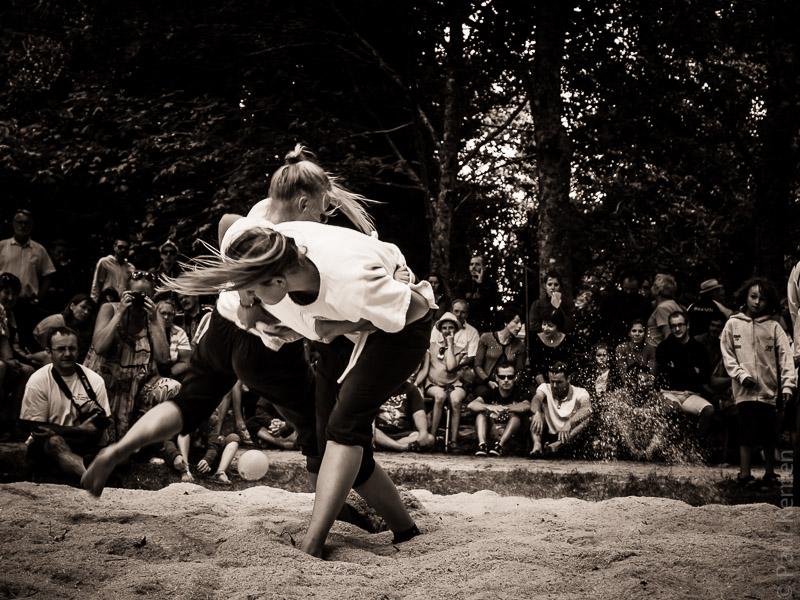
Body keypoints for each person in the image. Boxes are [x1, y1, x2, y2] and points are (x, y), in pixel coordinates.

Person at [80, 146, 394, 539]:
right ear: (302, 201)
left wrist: (244, 293)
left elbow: (227, 223)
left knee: (187, 403)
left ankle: (117, 449)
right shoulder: (295, 237)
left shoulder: (261, 211)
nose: (321, 218)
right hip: (262, 348)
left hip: (219, 331)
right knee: (321, 429)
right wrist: (256, 303)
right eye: (319, 209)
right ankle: (328, 512)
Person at [165, 214, 436, 557]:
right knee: (329, 445)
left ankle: (313, 542)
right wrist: (253, 304)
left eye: (254, 290)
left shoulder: (351, 281)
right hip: (345, 333)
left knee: (344, 428)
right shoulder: (270, 240)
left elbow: (419, 306)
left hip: (402, 330)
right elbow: (227, 221)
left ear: (278, 282)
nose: (250, 298)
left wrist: (343, 324)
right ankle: (406, 531)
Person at [83, 271, 180, 440]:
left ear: (152, 297)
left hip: (134, 387)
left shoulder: (154, 317)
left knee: (172, 387)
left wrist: (155, 322)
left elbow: (164, 359)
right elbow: (99, 347)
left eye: (144, 296)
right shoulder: (110, 309)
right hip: (104, 384)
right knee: (105, 439)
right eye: (135, 295)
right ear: (125, 293)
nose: (138, 301)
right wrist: (119, 313)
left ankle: (147, 437)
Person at [720, 278, 795, 485]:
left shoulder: (774, 327)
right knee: (746, 431)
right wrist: (741, 375)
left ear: (768, 301)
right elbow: (728, 355)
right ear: (745, 296)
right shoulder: (733, 324)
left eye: (762, 298)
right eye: (753, 296)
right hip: (744, 391)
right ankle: (744, 474)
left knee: (769, 433)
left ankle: (770, 473)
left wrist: (788, 384)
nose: (756, 302)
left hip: (769, 391)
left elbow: (785, 357)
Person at [18, 327, 110, 480]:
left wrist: (64, 430)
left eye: (72, 348)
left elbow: (100, 424)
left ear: (78, 350)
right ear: (49, 352)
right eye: (61, 349)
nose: (67, 354)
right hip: (48, 445)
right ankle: (89, 477)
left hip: (83, 443)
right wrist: (80, 429)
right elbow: (37, 428)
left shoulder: (94, 380)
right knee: (54, 441)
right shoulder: (38, 380)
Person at [0, 209, 56, 347]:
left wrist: (39, 297)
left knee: (24, 338)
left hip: (26, 303)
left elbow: (48, 274)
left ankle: (22, 364)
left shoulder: (39, 249)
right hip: (3, 301)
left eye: (26, 223)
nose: (23, 226)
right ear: (13, 224)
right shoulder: (2, 246)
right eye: (19, 222)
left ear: (31, 225)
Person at [654, 310, 715, 435]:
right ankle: (678, 446)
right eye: (673, 326)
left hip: (690, 394)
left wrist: (678, 369)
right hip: (669, 393)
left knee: (709, 410)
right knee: (673, 408)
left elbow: (704, 376)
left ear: (687, 325)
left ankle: (697, 446)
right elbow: (663, 374)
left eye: (680, 325)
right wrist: (692, 371)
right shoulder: (664, 347)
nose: (677, 329)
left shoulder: (698, 348)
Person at [420, 312, 468, 451]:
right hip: (434, 384)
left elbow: (451, 367)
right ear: (440, 330)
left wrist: (451, 345)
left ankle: (453, 441)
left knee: (455, 400)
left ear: (456, 329)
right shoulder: (432, 346)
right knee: (440, 396)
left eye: (451, 327)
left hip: (454, 384)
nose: (447, 330)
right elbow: (426, 367)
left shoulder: (460, 349)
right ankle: (432, 438)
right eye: (445, 327)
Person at [529, 361, 592, 457]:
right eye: (552, 381)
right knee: (535, 415)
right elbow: (536, 399)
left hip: (569, 437)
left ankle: (557, 446)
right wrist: (536, 412)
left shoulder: (580, 392)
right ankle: (537, 446)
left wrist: (569, 423)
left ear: (568, 379)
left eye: (559, 382)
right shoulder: (545, 387)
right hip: (549, 434)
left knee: (587, 419)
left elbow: (587, 409)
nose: (554, 386)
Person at [468, 362, 530, 456]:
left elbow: (526, 406)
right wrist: (490, 407)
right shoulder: (491, 392)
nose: (506, 380)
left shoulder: (519, 392)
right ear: (496, 378)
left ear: (515, 377)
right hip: (492, 431)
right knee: (481, 414)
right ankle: (482, 445)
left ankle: (500, 446)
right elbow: (472, 405)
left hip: (512, 436)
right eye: (502, 377)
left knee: (515, 417)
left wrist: (504, 409)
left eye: (510, 377)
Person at [473, 304, 526, 399]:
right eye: (516, 322)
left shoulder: (519, 345)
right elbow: (477, 365)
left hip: (508, 384)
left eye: (521, 323)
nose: (519, 327)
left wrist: (510, 383)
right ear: (506, 322)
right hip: (486, 383)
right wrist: (487, 381)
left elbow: (519, 370)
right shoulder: (486, 338)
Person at [32, 294, 97, 363]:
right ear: (72, 306)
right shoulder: (57, 320)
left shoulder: (79, 328)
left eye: (89, 310)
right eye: (83, 307)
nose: (86, 312)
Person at [373, 380, 435, 452]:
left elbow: (419, 413)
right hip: (380, 432)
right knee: (371, 431)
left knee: (430, 439)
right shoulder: (375, 388)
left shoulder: (411, 388)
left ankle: (389, 445)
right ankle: (401, 447)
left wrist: (423, 432)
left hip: (404, 434)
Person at [599, 270, 652, 344]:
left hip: (634, 341)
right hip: (612, 338)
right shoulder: (610, 300)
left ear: (638, 287)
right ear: (622, 285)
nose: (628, 292)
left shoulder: (644, 303)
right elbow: (603, 320)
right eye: (626, 288)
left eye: (632, 289)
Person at [452, 255, 498, 333]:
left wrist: (480, 284)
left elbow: (491, 303)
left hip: (484, 325)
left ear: (483, 267)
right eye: (471, 264)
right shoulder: (463, 284)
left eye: (477, 264)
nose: (473, 267)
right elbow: (457, 303)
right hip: (465, 323)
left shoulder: (490, 284)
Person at [529, 309, 574, 386]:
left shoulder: (567, 340)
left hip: (562, 382)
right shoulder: (536, 339)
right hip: (540, 383)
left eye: (550, 325)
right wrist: (545, 388)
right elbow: (535, 368)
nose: (545, 328)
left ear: (558, 326)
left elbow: (570, 367)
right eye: (544, 324)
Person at [155, 297, 192, 381]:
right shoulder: (148, 330)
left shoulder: (179, 332)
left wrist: (168, 376)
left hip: (170, 374)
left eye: (170, 314)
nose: (166, 317)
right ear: (156, 313)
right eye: (163, 313)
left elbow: (185, 361)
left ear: (174, 315)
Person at [528, 270, 573, 336]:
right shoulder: (537, 304)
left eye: (556, 285)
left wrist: (558, 308)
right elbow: (533, 326)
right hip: (542, 341)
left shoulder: (566, 304)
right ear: (545, 286)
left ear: (560, 286)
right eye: (549, 284)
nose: (553, 288)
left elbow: (569, 326)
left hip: (561, 340)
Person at [614, 319, 656, 383]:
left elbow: (651, 373)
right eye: (634, 331)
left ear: (645, 334)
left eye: (640, 331)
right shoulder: (621, 348)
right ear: (629, 333)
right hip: (626, 385)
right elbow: (623, 373)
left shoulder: (650, 349)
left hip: (645, 384)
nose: (637, 334)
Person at [646, 273, 683, 348]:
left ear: (658, 290)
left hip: (657, 351)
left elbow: (669, 335)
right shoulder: (673, 304)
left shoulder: (662, 308)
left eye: (653, 285)